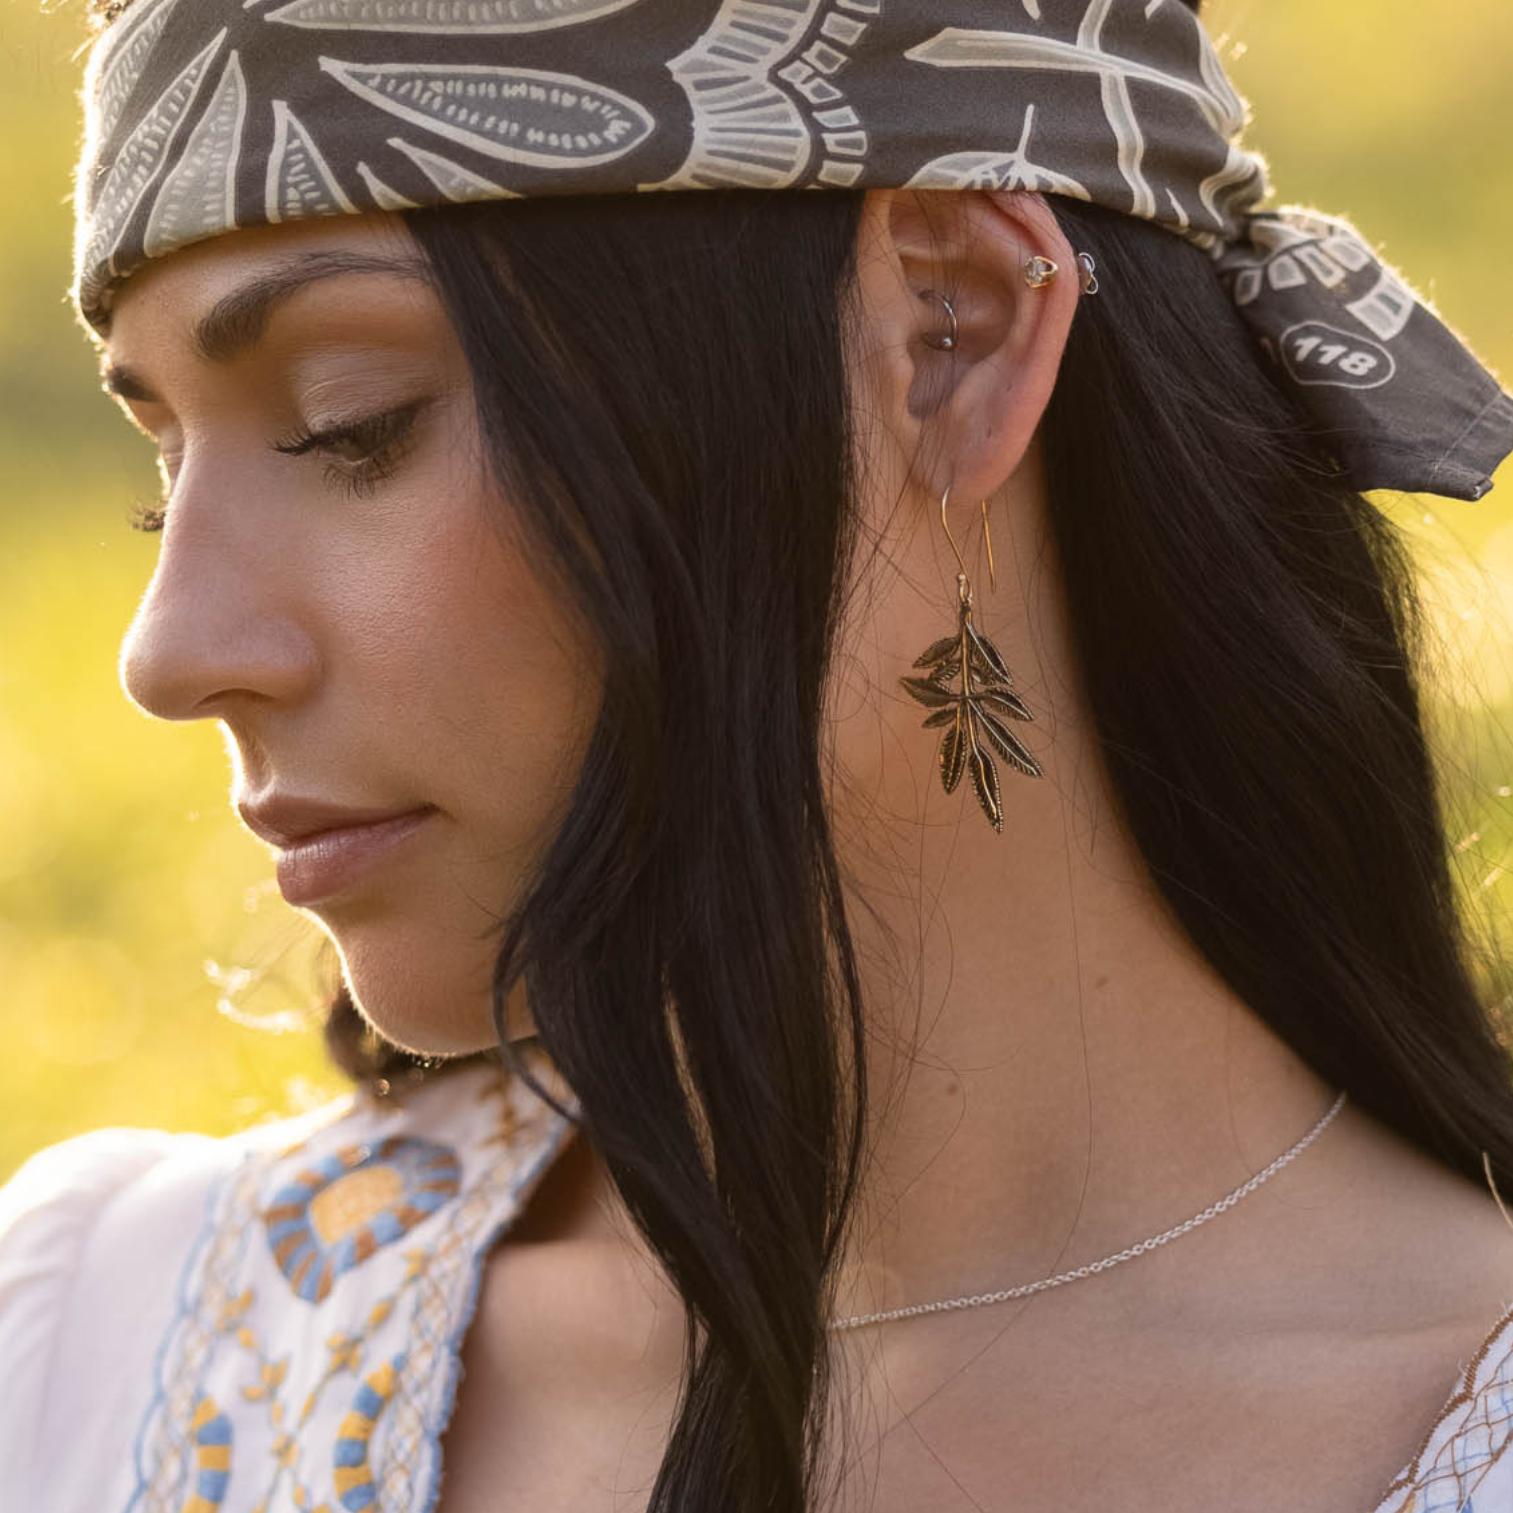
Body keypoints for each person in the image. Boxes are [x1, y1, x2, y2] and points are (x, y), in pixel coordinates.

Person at [3, 0, 1513, 1509]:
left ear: (953, 331)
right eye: (162, 475)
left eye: (355, 424)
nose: (168, 650)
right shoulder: (105, 1356)